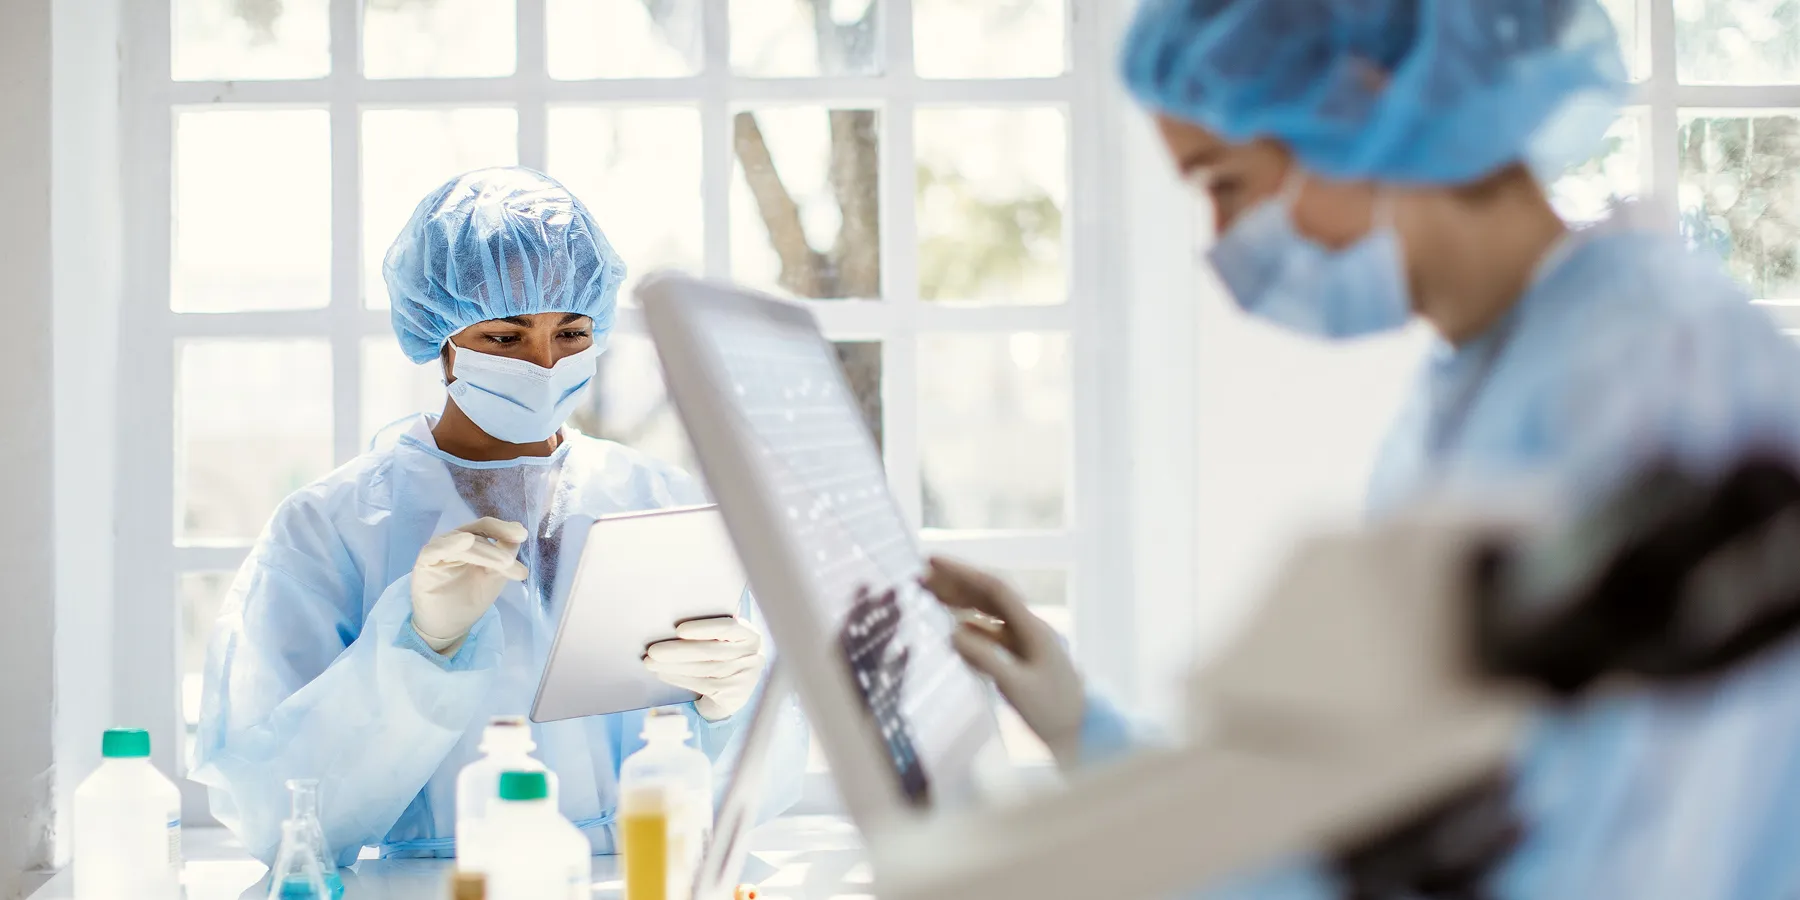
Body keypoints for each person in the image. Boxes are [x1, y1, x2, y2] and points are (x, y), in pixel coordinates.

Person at [930, 1, 1800, 897]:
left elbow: (1645, 840)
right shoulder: (1471, 385)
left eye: (1226, 185)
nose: (1222, 243)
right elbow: (1386, 795)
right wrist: (1087, 732)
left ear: (1362, 100)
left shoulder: (1656, 369)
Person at [193, 167, 807, 866]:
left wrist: (730, 709)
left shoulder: (658, 498)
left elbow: (756, 791)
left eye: (571, 331)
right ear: (440, 338)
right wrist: (418, 647)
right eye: (506, 338)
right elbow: (278, 815)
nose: (545, 363)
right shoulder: (332, 526)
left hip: (632, 876)